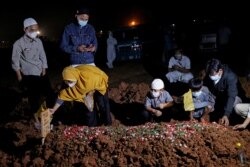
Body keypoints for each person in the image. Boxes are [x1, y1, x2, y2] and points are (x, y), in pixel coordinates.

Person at [11, 17, 53, 116]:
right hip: (29, 75)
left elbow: (43, 55)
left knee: (49, 94)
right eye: (32, 30)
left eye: (36, 29)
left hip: (41, 73)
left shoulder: (38, 41)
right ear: (25, 29)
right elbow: (15, 61)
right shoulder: (18, 44)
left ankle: (49, 116)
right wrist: (20, 78)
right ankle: (36, 119)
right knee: (34, 98)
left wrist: (44, 68)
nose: (35, 32)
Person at [204, 58, 247, 126]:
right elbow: (208, 90)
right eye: (209, 75)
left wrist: (226, 114)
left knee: (234, 103)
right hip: (220, 94)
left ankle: (232, 119)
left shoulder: (231, 77)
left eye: (213, 75)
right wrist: (208, 107)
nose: (211, 77)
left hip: (235, 95)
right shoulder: (210, 74)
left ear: (220, 71)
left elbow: (231, 96)